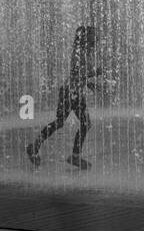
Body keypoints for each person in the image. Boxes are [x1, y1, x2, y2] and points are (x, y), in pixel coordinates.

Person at [27, 25, 103, 170]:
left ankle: (37, 147)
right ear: (86, 37)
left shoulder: (86, 52)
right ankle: (70, 154)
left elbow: (80, 75)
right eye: (94, 34)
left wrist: (90, 84)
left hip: (75, 92)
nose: (96, 37)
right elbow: (76, 73)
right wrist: (94, 72)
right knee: (75, 123)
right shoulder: (78, 52)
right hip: (69, 92)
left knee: (75, 123)